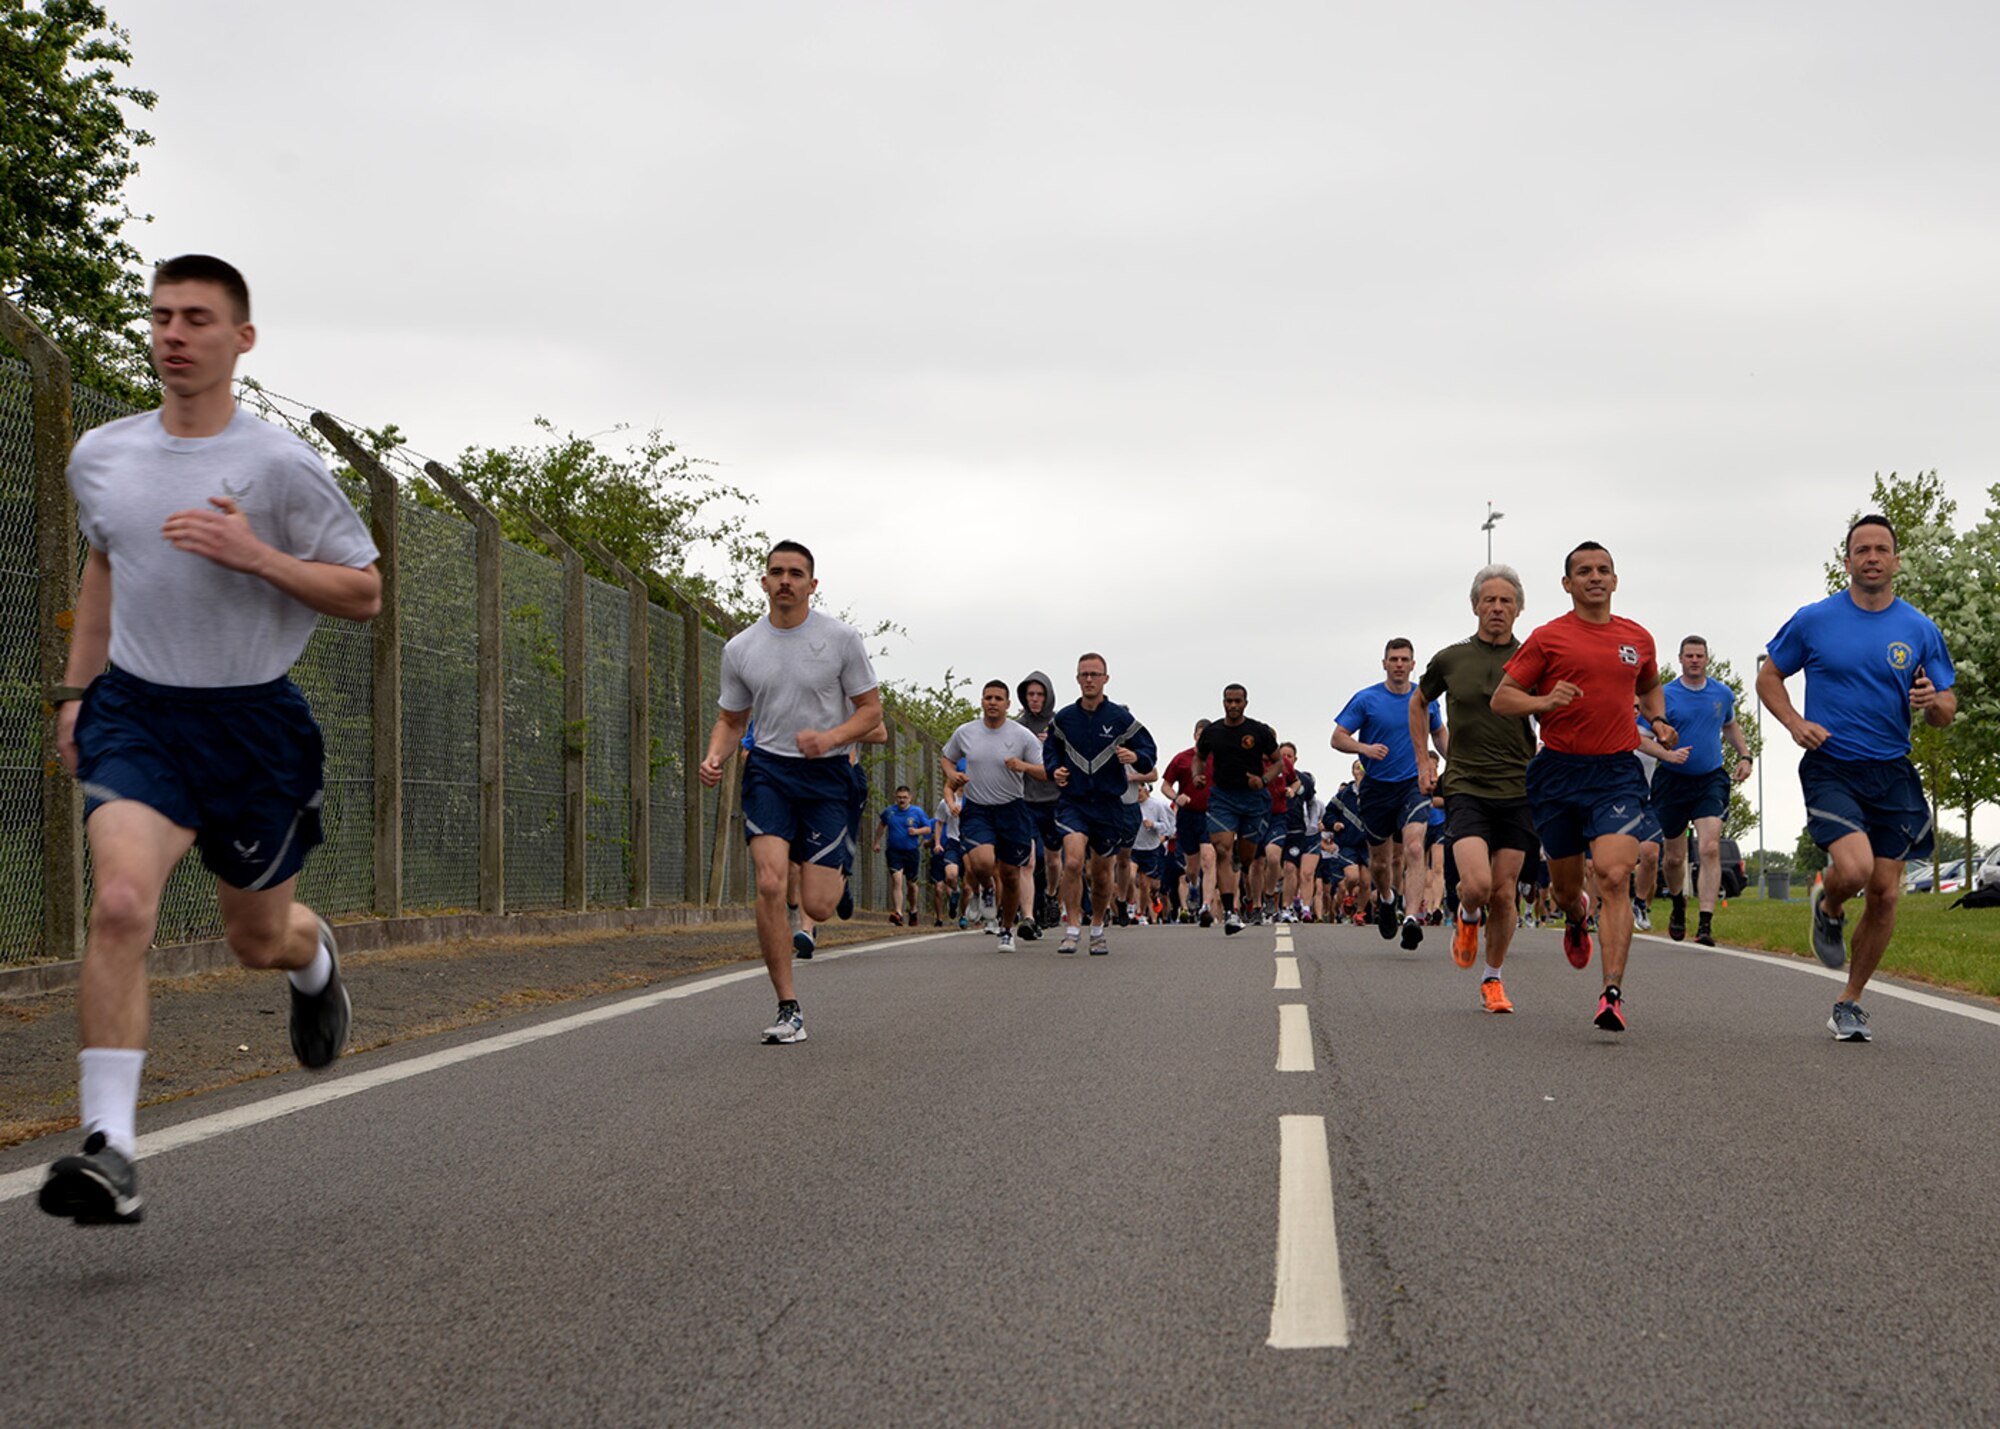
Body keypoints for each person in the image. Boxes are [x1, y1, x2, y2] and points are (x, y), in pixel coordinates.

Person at [39, 255, 384, 1226]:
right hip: (139, 712)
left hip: (252, 727)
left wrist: (256, 554)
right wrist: (77, 692)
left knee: (254, 937)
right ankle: (110, 1149)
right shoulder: (103, 456)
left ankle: (315, 963)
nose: (173, 333)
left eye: (197, 317)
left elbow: (363, 591)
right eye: (160, 316)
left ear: (242, 339)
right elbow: (106, 564)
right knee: (117, 904)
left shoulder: (277, 465)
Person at [1757, 515, 1955, 1042]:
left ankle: (1850, 1001)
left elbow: (1947, 705)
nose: (1871, 557)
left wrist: (1933, 701)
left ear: (1894, 559)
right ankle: (1829, 904)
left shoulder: (1918, 628)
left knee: (1887, 894)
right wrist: (1795, 723)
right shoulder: (1815, 620)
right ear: (1846, 561)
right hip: (1832, 763)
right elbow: (1768, 675)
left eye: (1881, 548)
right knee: (1857, 866)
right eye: (1861, 549)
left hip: (1891, 770)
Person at [700, 540, 883, 1045]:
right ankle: (788, 1007)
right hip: (769, 772)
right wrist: (716, 753)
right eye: (776, 572)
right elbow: (731, 720)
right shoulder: (740, 648)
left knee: (820, 906)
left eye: (796, 573)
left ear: (812, 584)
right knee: (770, 884)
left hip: (827, 775)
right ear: (763, 582)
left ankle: (833, 870)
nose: (785, 580)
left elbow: (872, 712)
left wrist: (831, 738)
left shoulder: (841, 638)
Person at [1493, 541, 1671, 1033]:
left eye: (1604, 570)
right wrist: (1546, 700)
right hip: (1558, 773)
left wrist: (1657, 718)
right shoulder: (1549, 639)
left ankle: (1611, 993)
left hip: (1615, 771)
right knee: (1569, 887)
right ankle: (1576, 916)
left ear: (1615, 581)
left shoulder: (1637, 638)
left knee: (1615, 875)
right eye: (1584, 571)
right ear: (1568, 584)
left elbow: (1649, 684)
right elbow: (1503, 699)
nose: (1595, 577)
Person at [1414, 564, 1539, 1014]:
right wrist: (1421, 760)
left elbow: (1550, 714)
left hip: (1518, 788)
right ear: (1475, 607)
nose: (1498, 608)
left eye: (1506, 601)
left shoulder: (1533, 658)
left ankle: (1493, 980)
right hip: (1465, 784)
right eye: (1490, 600)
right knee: (1478, 886)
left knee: (1505, 893)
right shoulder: (1451, 659)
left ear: (1519, 608)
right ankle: (1467, 918)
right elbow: (1419, 701)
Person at [1333, 640, 1445, 949]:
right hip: (1377, 788)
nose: (1398, 664)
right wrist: (1363, 748)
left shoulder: (1425, 698)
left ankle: (1410, 918)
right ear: (1384, 664)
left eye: (1404, 659)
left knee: (1412, 846)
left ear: (1413, 664)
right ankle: (1385, 899)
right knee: (1380, 863)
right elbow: (1338, 737)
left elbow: (1438, 731)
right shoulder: (1367, 699)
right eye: (1393, 659)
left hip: (1413, 783)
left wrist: (1458, 763)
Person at [1044, 652, 1158, 954]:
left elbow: (1147, 747)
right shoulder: (1065, 718)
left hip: (1109, 804)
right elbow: (1051, 749)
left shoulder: (1119, 718)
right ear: (1077, 679)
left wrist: (1136, 757)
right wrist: (1054, 769)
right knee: (1072, 861)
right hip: (1075, 802)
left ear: (1105, 679)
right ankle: (1072, 927)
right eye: (1084, 674)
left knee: (1101, 872)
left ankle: (1096, 926)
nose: (1089, 680)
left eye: (1095, 674)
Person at [1647, 636, 1752, 946]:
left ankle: (1705, 923)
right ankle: (1678, 902)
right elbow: (1640, 735)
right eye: (1689, 655)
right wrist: (1666, 755)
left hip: (1710, 779)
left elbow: (1730, 725)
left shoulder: (1722, 693)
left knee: (1709, 847)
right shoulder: (1664, 695)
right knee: (1675, 859)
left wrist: (1745, 755)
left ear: (1707, 659)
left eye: (1699, 655)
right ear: (1680, 659)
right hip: (1672, 780)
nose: (1694, 660)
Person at [941, 681, 1047, 953]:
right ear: (981, 701)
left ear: (1008, 704)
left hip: (1012, 809)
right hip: (978, 809)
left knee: (1011, 875)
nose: (992, 702)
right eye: (988, 697)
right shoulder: (966, 732)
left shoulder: (1022, 735)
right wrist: (952, 775)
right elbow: (946, 757)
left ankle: (1007, 930)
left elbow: (1044, 770)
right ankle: (986, 888)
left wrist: (1021, 765)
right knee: (983, 863)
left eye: (998, 698)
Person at [1193, 685, 1279, 935]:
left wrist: (1262, 780)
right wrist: (1198, 775)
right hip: (1223, 798)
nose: (1233, 705)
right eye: (1228, 701)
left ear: (1245, 703)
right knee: (1222, 849)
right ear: (1223, 702)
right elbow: (1199, 757)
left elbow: (1278, 763)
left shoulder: (1258, 731)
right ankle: (1231, 912)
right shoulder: (1213, 732)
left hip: (1253, 798)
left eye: (1237, 701)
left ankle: (1241, 877)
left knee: (1246, 857)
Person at [1016, 671, 1063, 931]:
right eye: (1030, 694)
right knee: (1029, 859)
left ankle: (1052, 895)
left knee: (1052, 859)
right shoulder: (1017, 726)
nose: (1034, 699)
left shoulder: (1060, 724)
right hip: (1025, 798)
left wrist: (1052, 746)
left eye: (1040, 694)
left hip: (1054, 798)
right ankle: (1028, 916)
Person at [1160, 720, 1216, 924]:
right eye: (1200, 735)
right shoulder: (1182, 759)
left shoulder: (1218, 759)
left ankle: (1206, 906)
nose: (1203, 739)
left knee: (1209, 858)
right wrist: (1176, 797)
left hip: (1211, 815)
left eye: (1207, 736)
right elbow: (1165, 785)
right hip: (1187, 816)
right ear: (1195, 736)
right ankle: (1194, 887)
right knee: (1191, 869)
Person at [873, 786, 933, 927]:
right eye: (899, 797)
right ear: (895, 797)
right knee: (897, 879)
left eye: (904, 797)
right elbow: (881, 825)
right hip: (894, 851)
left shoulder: (917, 812)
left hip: (911, 852)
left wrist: (916, 831)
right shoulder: (890, 812)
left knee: (911, 884)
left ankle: (913, 910)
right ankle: (898, 913)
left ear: (910, 798)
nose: (902, 800)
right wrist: (876, 842)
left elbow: (928, 828)